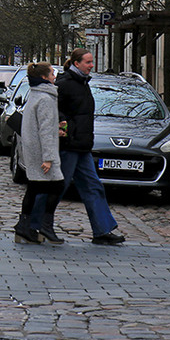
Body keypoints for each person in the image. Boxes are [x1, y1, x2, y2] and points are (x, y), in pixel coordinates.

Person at [37, 48, 126, 246]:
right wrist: (63, 124)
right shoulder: (66, 84)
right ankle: (39, 223)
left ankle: (102, 230)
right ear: (77, 63)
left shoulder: (83, 83)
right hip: (69, 146)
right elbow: (51, 107)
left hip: (82, 146)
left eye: (92, 62)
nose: (91, 65)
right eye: (88, 62)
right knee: (57, 187)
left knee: (93, 187)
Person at [13, 62, 65, 244]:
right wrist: (49, 158)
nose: (54, 76)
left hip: (33, 149)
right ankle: (43, 226)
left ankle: (24, 226)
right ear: (44, 77)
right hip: (41, 152)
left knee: (34, 188)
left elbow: (41, 126)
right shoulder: (45, 98)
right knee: (57, 186)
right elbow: (44, 130)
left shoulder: (35, 95)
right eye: (52, 73)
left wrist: (55, 129)